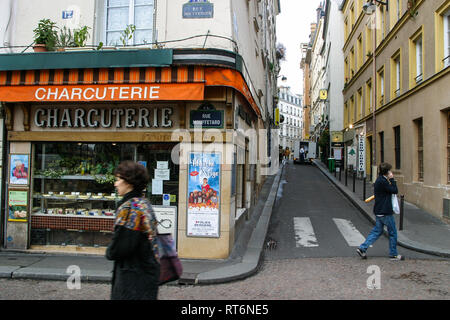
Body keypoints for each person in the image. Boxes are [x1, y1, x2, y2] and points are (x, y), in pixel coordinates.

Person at [106, 160, 160, 300]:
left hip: (133, 279)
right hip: (147, 273)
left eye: (118, 179)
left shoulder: (130, 208)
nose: (115, 183)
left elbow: (120, 247)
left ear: (128, 182)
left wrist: (110, 251)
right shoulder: (144, 203)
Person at [356, 162, 405, 261]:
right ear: (387, 172)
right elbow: (394, 190)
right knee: (393, 233)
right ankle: (393, 254)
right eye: (390, 171)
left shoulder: (379, 180)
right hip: (385, 211)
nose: (391, 172)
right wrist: (392, 179)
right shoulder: (383, 181)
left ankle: (363, 248)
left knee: (377, 231)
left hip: (379, 210)